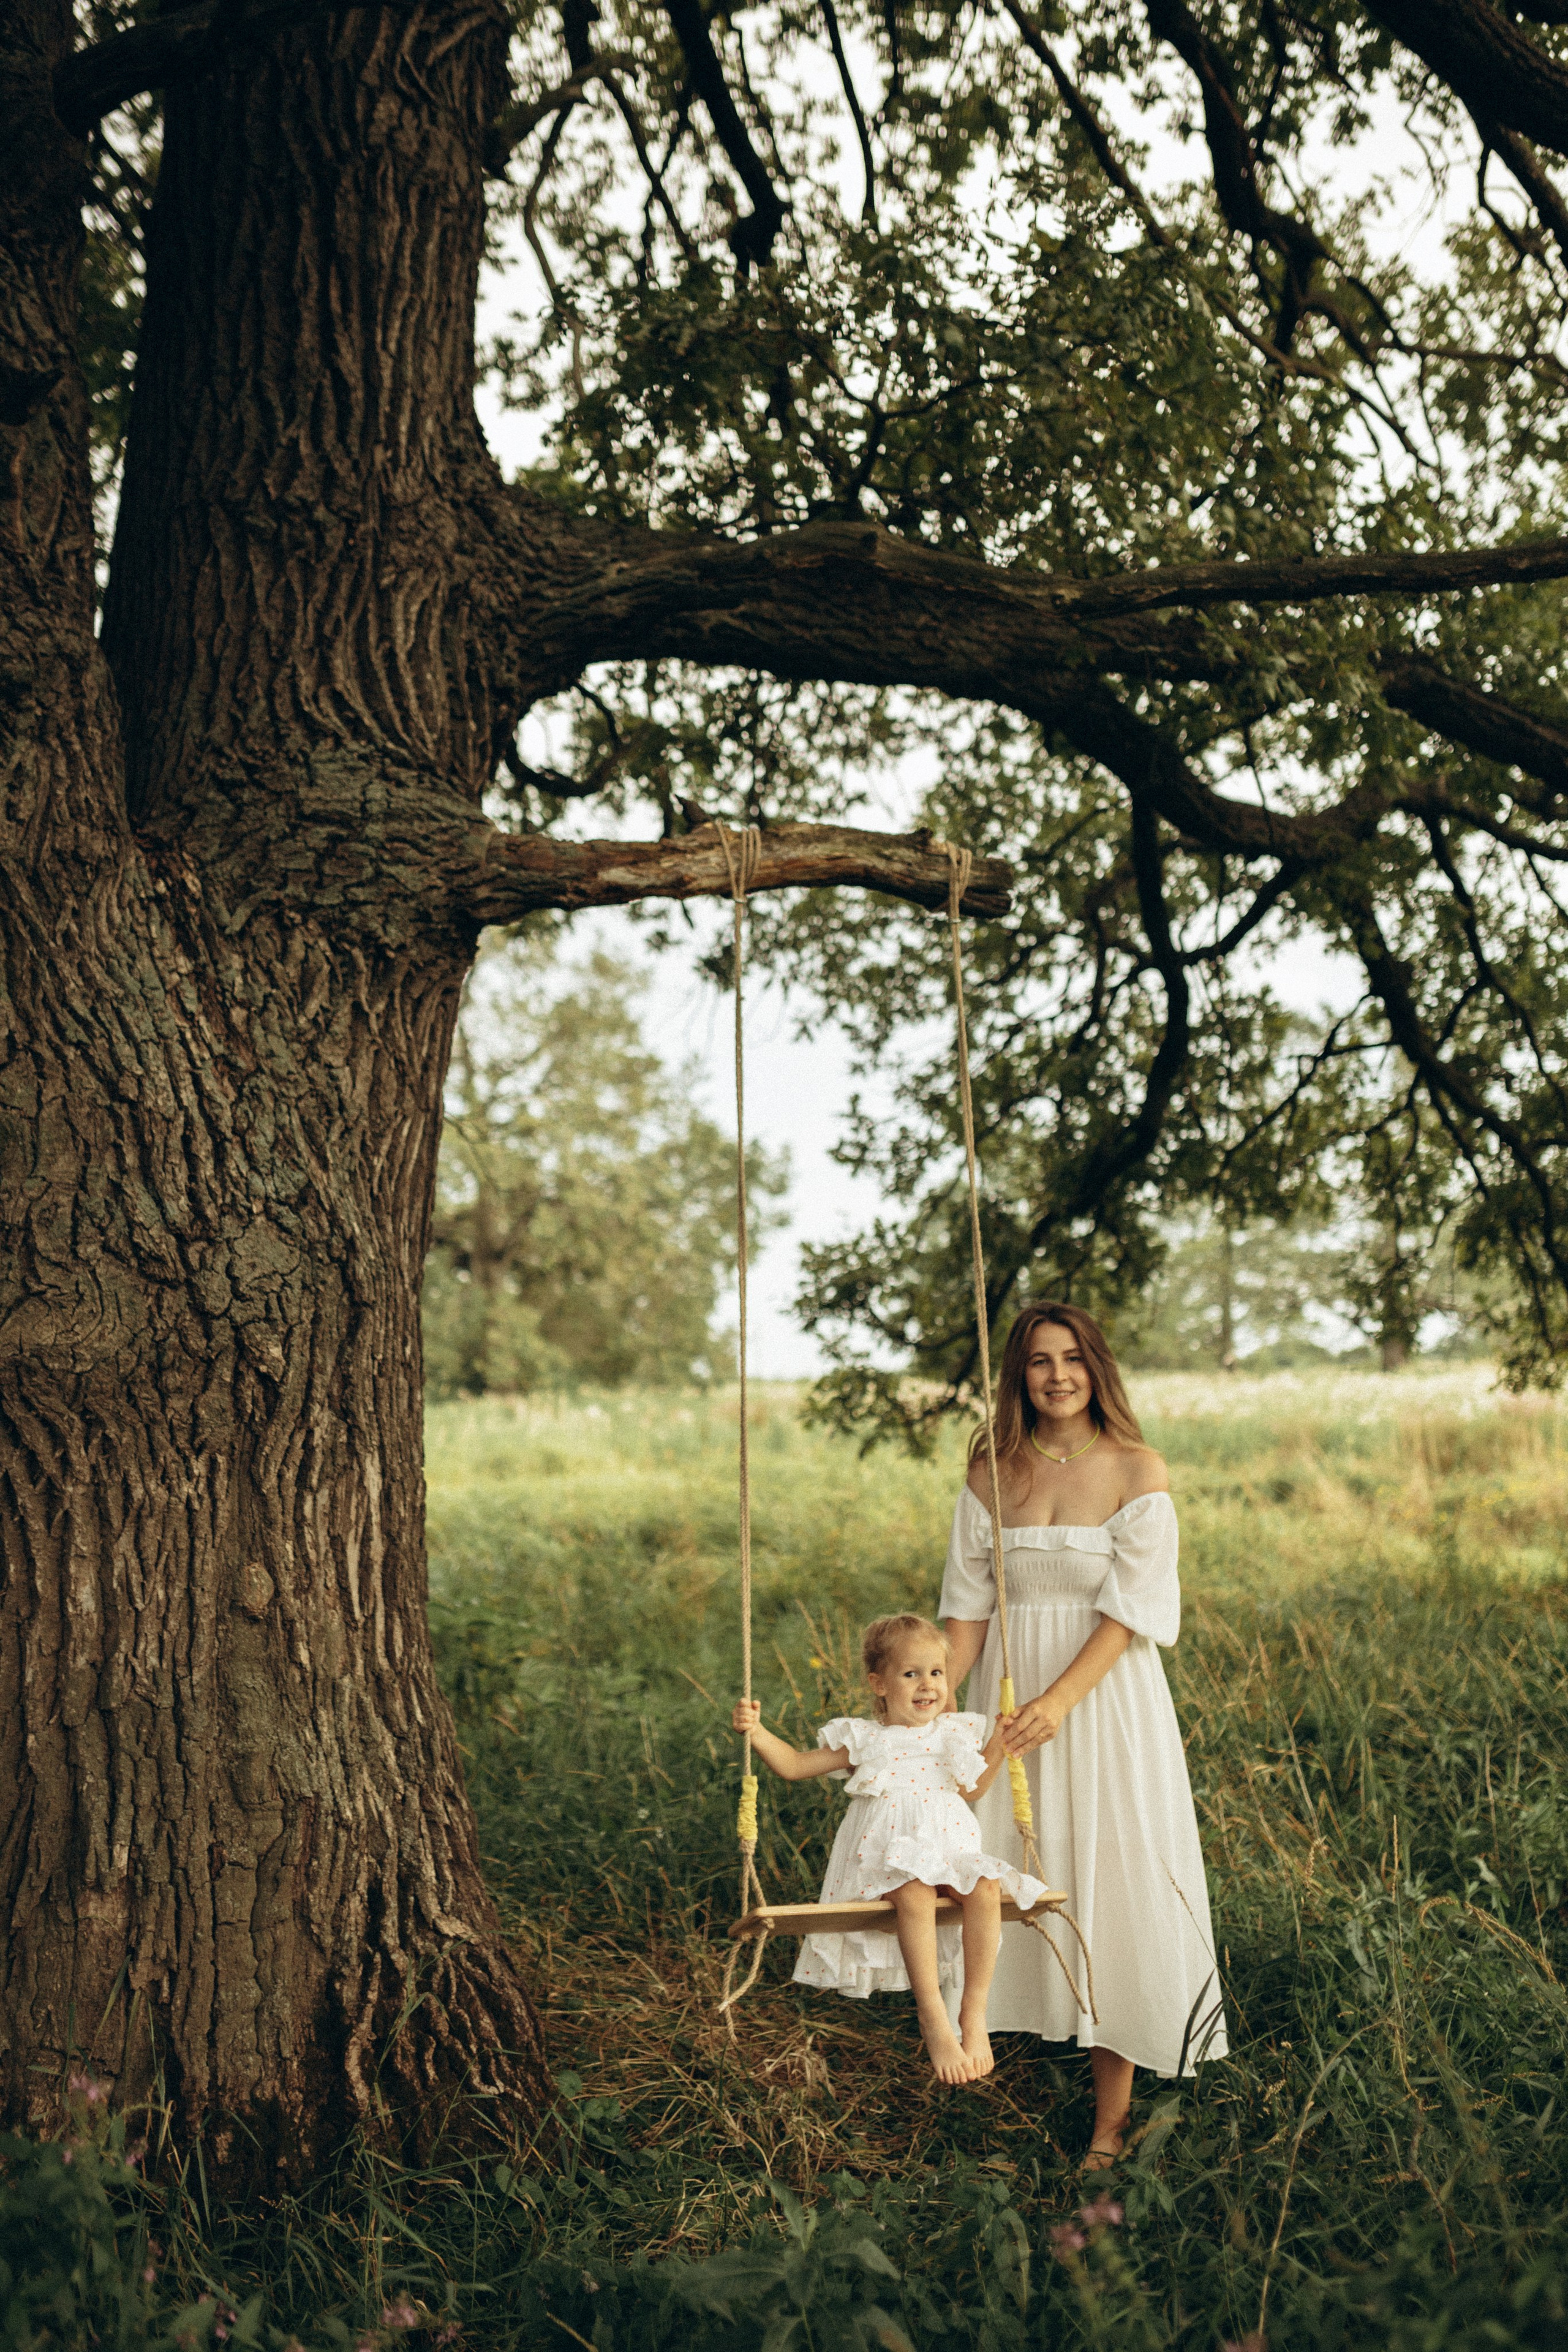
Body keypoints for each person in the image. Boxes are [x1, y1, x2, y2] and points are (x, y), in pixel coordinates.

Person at [941, 1300, 1227, 2166]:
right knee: (997, 1871)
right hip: (1008, 1698)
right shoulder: (993, 1472)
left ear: (1096, 1368)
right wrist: (921, 1720)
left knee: (1112, 1881)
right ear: (1018, 1376)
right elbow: (966, 1612)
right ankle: (981, 2068)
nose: (1057, 1375)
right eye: (1038, 1361)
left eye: (1071, 1358)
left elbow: (1130, 1612)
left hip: (1102, 1702)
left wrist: (1059, 1703)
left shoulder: (1138, 1469)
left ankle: (1110, 2119)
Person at [731, 1613, 1051, 2084]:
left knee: (985, 1886)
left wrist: (1000, 1745)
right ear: (879, 1684)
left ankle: (973, 2012)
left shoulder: (953, 1735)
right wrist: (756, 1733)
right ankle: (933, 2016)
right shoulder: (866, 1740)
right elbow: (795, 1766)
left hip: (948, 1851)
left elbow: (973, 1789)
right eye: (911, 1674)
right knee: (915, 1892)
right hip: (889, 1863)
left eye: (937, 1673)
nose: (927, 1685)